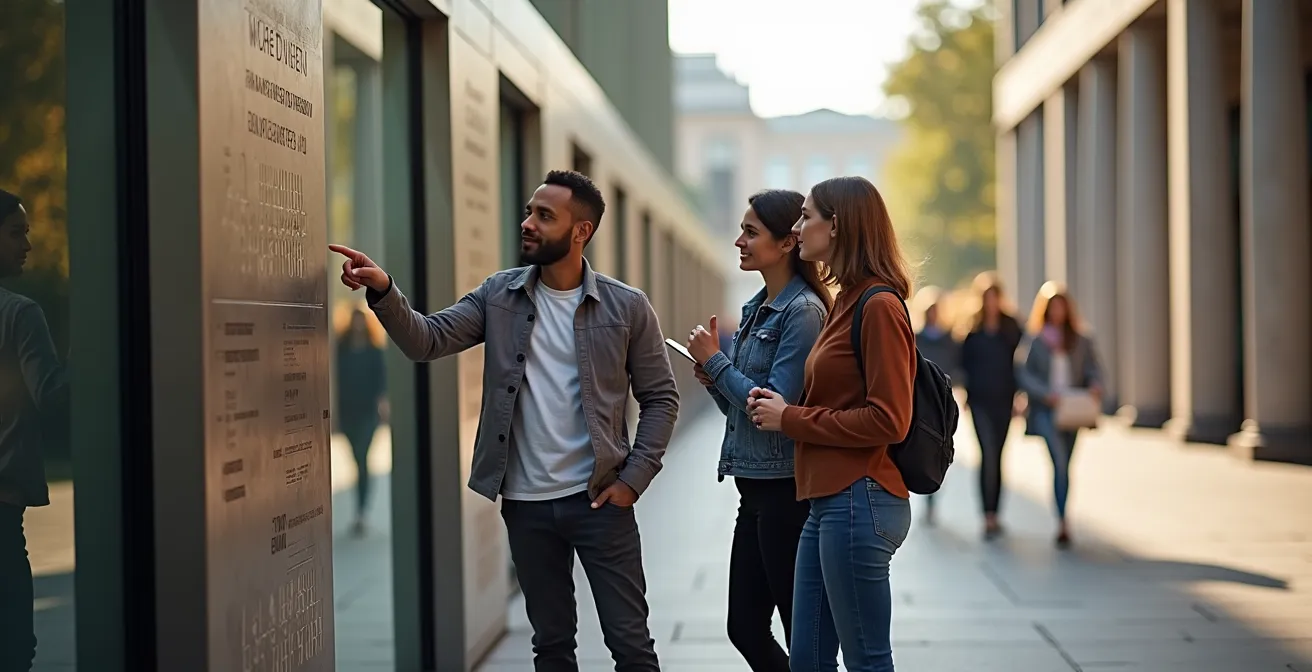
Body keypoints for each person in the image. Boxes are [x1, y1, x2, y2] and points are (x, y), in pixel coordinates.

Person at [330, 170, 678, 671]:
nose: (527, 223)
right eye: (529, 212)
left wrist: (633, 480)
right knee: (552, 647)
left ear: (581, 231)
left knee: (631, 647)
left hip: (600, 502)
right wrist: (384, 290)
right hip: (527, 505)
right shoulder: (500, 296)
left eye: (544, 215)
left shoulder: (626, 307)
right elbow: (427, 340)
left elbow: (661, 397)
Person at [747, 176, 916, 672]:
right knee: (809, 661)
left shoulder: (879, 305)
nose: (798, 229)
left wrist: (790, 419)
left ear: (836, 225)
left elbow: (891, 419)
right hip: (828, 503)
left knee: (867, 660)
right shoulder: (844, 301)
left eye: (807, 216)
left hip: (859, 498)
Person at [685, 189, 829, 672]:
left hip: (785, 491)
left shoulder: (802, 312)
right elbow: (741, 408)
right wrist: (712, 377)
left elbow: (772, 406)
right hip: (755, 490)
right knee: (744, 627)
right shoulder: (756, 307)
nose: (738, 241)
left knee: (798, 630)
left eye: (751, 232)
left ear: (788, 242)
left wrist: (717, 361)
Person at [0, 189, 69, 672]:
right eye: (15, 233)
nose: (27, 245)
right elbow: (54, 397)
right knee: (13, 649)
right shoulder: (20, 314)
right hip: (3, 509)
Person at [1015, 281, 1103, 548]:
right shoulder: (1035, 339)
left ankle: (1063, 516)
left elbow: (1094, 369)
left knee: (1067, 464)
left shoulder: (1081, 338)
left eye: (1061, 307)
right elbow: (1022, 373)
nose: (1057, 312)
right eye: (1053, 307)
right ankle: (1062, 520)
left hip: (1073, 409)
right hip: (1047, 409)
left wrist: (1095, 385)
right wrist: (1044, 393)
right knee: (1060, 462)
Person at [958, 272, 1023, 539]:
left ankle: (996, 512)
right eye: (987, 298)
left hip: (1004, 401)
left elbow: (1021, 365)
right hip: (980, 402)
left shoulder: (1012, 328)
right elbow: (962, 364)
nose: (992, 303)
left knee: (999, 456)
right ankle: (987, 515)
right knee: (987, 455)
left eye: (995, 297)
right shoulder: (972, 330)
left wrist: (1021, 397)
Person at [335, 307, 386, 537]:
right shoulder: (341, 350)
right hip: (348, 413)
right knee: (357, 459)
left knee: (362, 460)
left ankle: (361, 512)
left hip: (367, 414)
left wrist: (383, 406)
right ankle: (360, 510)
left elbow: (381, 382)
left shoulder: (374, 351)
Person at [911, 286, 959, 527]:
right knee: (924, 440)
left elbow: (956, 365)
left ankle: (934, 489)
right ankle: (927, 496)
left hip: (943, 399)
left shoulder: (949, 338)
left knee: (941, 443)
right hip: (921, 398)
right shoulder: (917, 335)